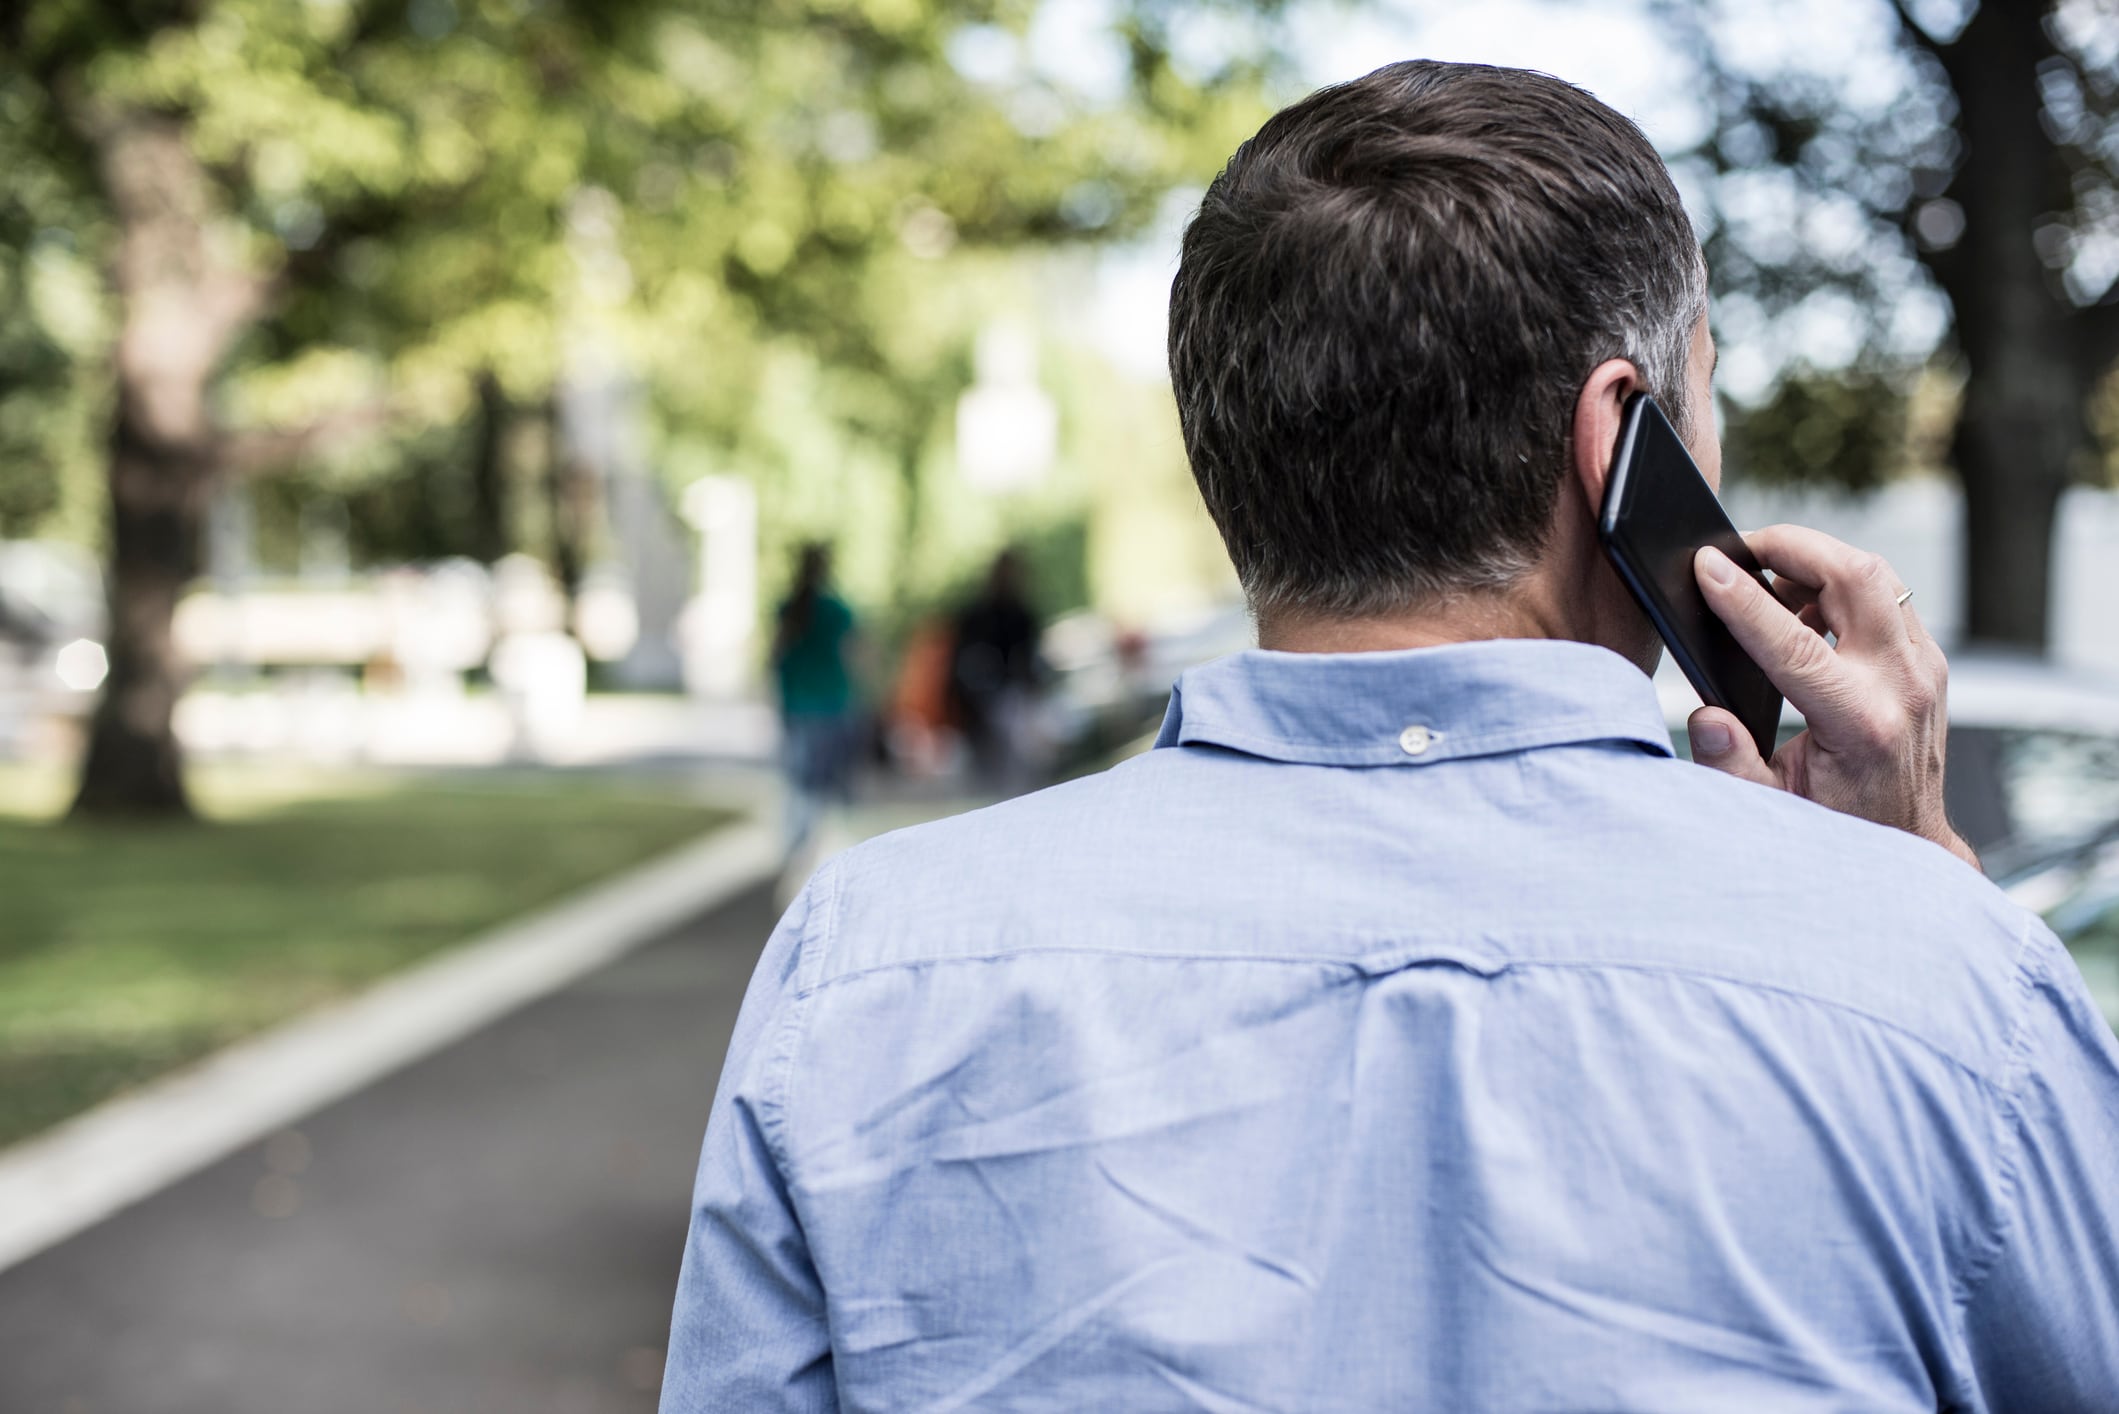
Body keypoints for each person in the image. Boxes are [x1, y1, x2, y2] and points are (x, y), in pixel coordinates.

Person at [662, 62, 2119, 1411]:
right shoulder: (1947, 989)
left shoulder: (865, 964)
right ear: (1620, 438)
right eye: (1707, 391)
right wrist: (1914, 881)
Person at [769, 543, 859, 856]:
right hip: (830, 703)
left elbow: (776, 655)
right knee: (825, 782)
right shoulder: (835, 611)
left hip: (798, 703)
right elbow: (853, 656)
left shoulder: (791, 608)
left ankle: (799, 845)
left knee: (800, 780)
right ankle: (814, 846)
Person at [946, 548, 1044, 788]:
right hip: (983, 702)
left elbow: (1029, 660)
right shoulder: (977, 617)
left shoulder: (1021, 616)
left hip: (1011, 699)